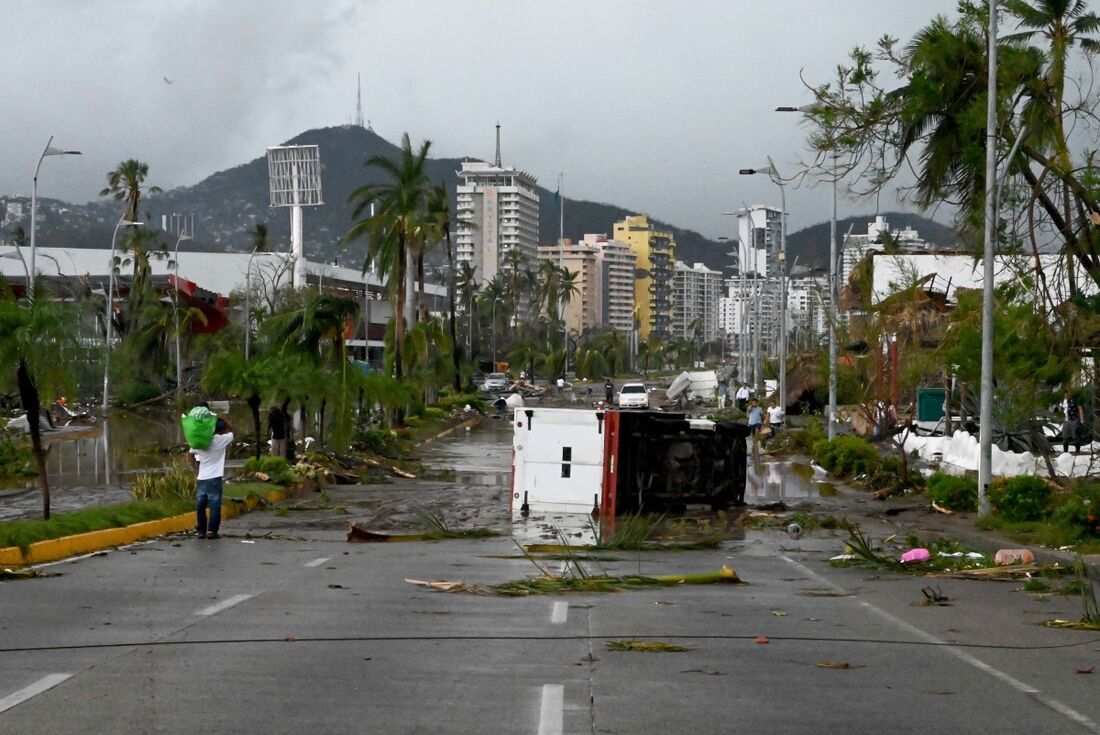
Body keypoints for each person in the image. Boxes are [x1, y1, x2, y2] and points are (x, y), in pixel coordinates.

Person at [189, 416, 234, 539]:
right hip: (215, 477)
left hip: (202, 477)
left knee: (201, 504)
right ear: (221, 430)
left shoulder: (201, 440)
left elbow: (191, 454)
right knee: (214, 504)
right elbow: (234, 431)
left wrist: (195, 470)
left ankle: (201, 530)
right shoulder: (221, 440)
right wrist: (224, 419)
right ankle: (212, 531)